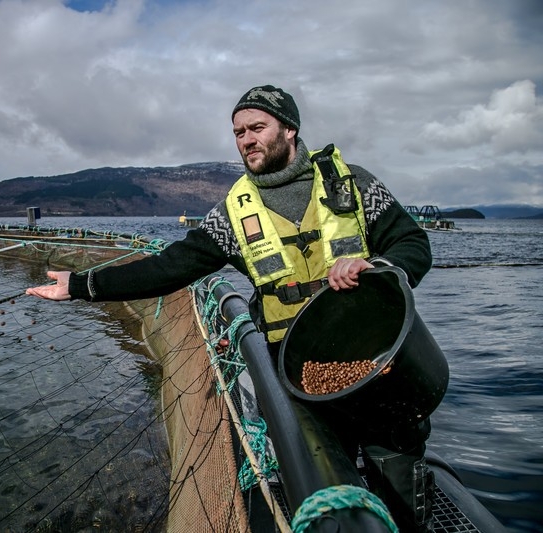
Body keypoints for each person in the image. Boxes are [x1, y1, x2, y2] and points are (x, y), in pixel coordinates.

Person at [27, 85, 435, 531]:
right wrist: (83, 285)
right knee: (323, 493)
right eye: (238, 132)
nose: (246, 140)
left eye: (257, 127)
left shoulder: (354, 184)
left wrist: (375, 265)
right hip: (300, 377)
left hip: (380, 365)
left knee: (400, 491)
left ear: (290, 129)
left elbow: (414, 244)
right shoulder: (231, 213)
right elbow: (170, 267)